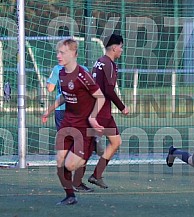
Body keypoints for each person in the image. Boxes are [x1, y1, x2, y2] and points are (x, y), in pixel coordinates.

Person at [42, 38, 105, 205]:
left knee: (69, 166)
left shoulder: (83, 75)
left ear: (73, 54)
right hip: (66, 123)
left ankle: (90, 146)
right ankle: (70, 196)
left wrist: (92, 117)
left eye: (62, 52)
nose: (58, 55)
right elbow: (64, 96)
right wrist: (49, 110)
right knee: (59, 163)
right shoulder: (62, 72)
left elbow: (100, 96)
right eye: (57, 52)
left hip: (82, 127)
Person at [87, 34, 129, 189]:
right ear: (114, 47)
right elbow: (109, 90)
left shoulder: (98, 61)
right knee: (87, 145)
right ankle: (77, 179)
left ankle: (96, 175)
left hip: (97, 109)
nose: (121, 50)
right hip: (102, 111)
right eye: (121, 47)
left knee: (115, 142)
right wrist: (122, 107)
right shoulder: (109, 64)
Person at [46, 64, 94, 193]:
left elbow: (50, 88)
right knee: (82, 148)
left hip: (63, 112)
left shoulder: (57, 69)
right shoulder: (84, 69)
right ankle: (76, 183)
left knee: (68, 148)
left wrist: (49, 82)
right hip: (79, 112)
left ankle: (69, 184)